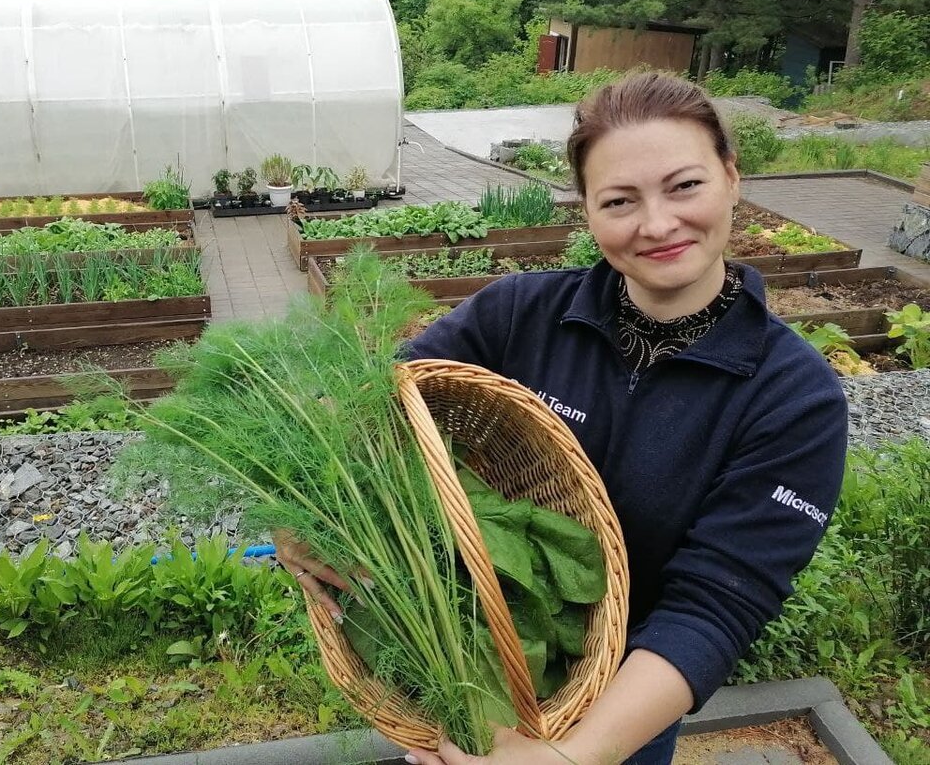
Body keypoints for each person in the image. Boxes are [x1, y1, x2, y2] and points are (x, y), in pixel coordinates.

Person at [276, 72, 848, 765]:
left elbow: (716, 607)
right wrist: (300, 509)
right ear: (587, 210)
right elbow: (372, 412)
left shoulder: (793, 398)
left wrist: (572, 756)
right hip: (470, 661)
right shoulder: (517, 315)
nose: (658, 223)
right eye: (619, 200)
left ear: (731, 177)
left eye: (685, 185)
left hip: (626, 704)